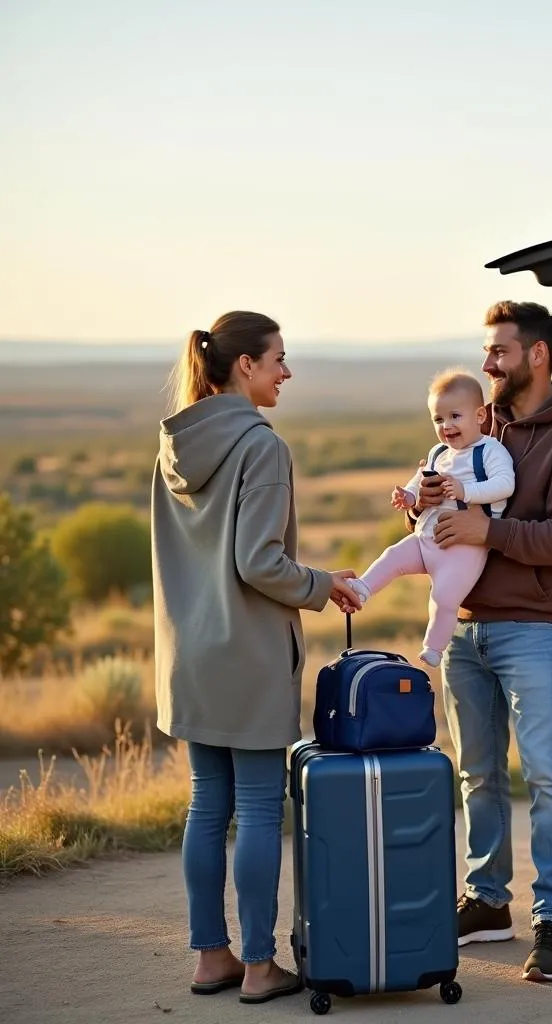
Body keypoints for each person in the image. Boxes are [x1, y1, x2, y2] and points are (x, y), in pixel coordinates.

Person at [151, 311, 362, 1005]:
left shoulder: (173, 444)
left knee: (207, 806)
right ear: (245, 366)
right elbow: (257, 563)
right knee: (259, 809)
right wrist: (322, 586)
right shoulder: (261, 446)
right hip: (246, 656)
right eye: (278, 359)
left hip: (188, 656)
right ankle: (261, 966)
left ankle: (212, 957)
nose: (286, 372)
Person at [406, 301, 552, 982]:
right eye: (486, 351)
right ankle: (488, 903)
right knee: (478, 774)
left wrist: (485, 531)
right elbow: (454, 511)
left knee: (548, 776)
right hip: (466, 631)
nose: (487, 362)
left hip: (531, 630)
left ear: (537, 357)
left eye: (499, 351)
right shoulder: (475, 427)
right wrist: (434, 496)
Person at [349, 369, 515, 667]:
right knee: (393, 556)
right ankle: (363, 588)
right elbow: (418, 482)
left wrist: (466, 490)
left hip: (463, 549)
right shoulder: (439, 453)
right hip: (425, 538)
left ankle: (434, 647)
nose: (447, 426)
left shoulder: (490, 451)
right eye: (438, 419)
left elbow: (505, 485)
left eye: (455, 416)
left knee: (444, 596)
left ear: (480, 416)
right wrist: (410, 498)